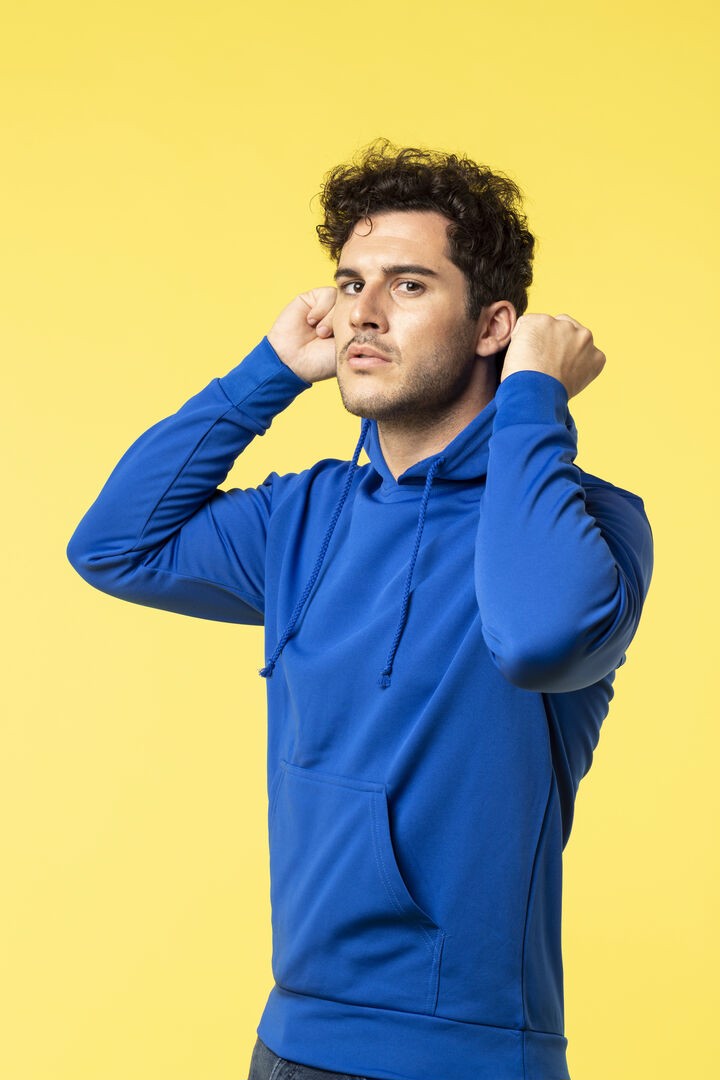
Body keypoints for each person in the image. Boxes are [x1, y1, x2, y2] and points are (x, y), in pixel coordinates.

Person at [66, 138, 654, 1080]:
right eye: (350, 284)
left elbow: (542, 641)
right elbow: (113, 547)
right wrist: (265, 372)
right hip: (289, 1043)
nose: (363, 314)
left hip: (465, 1058)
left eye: (408, 285)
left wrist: (534, 397)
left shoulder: (588, 526)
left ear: (495, 326)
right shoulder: (301, 517)